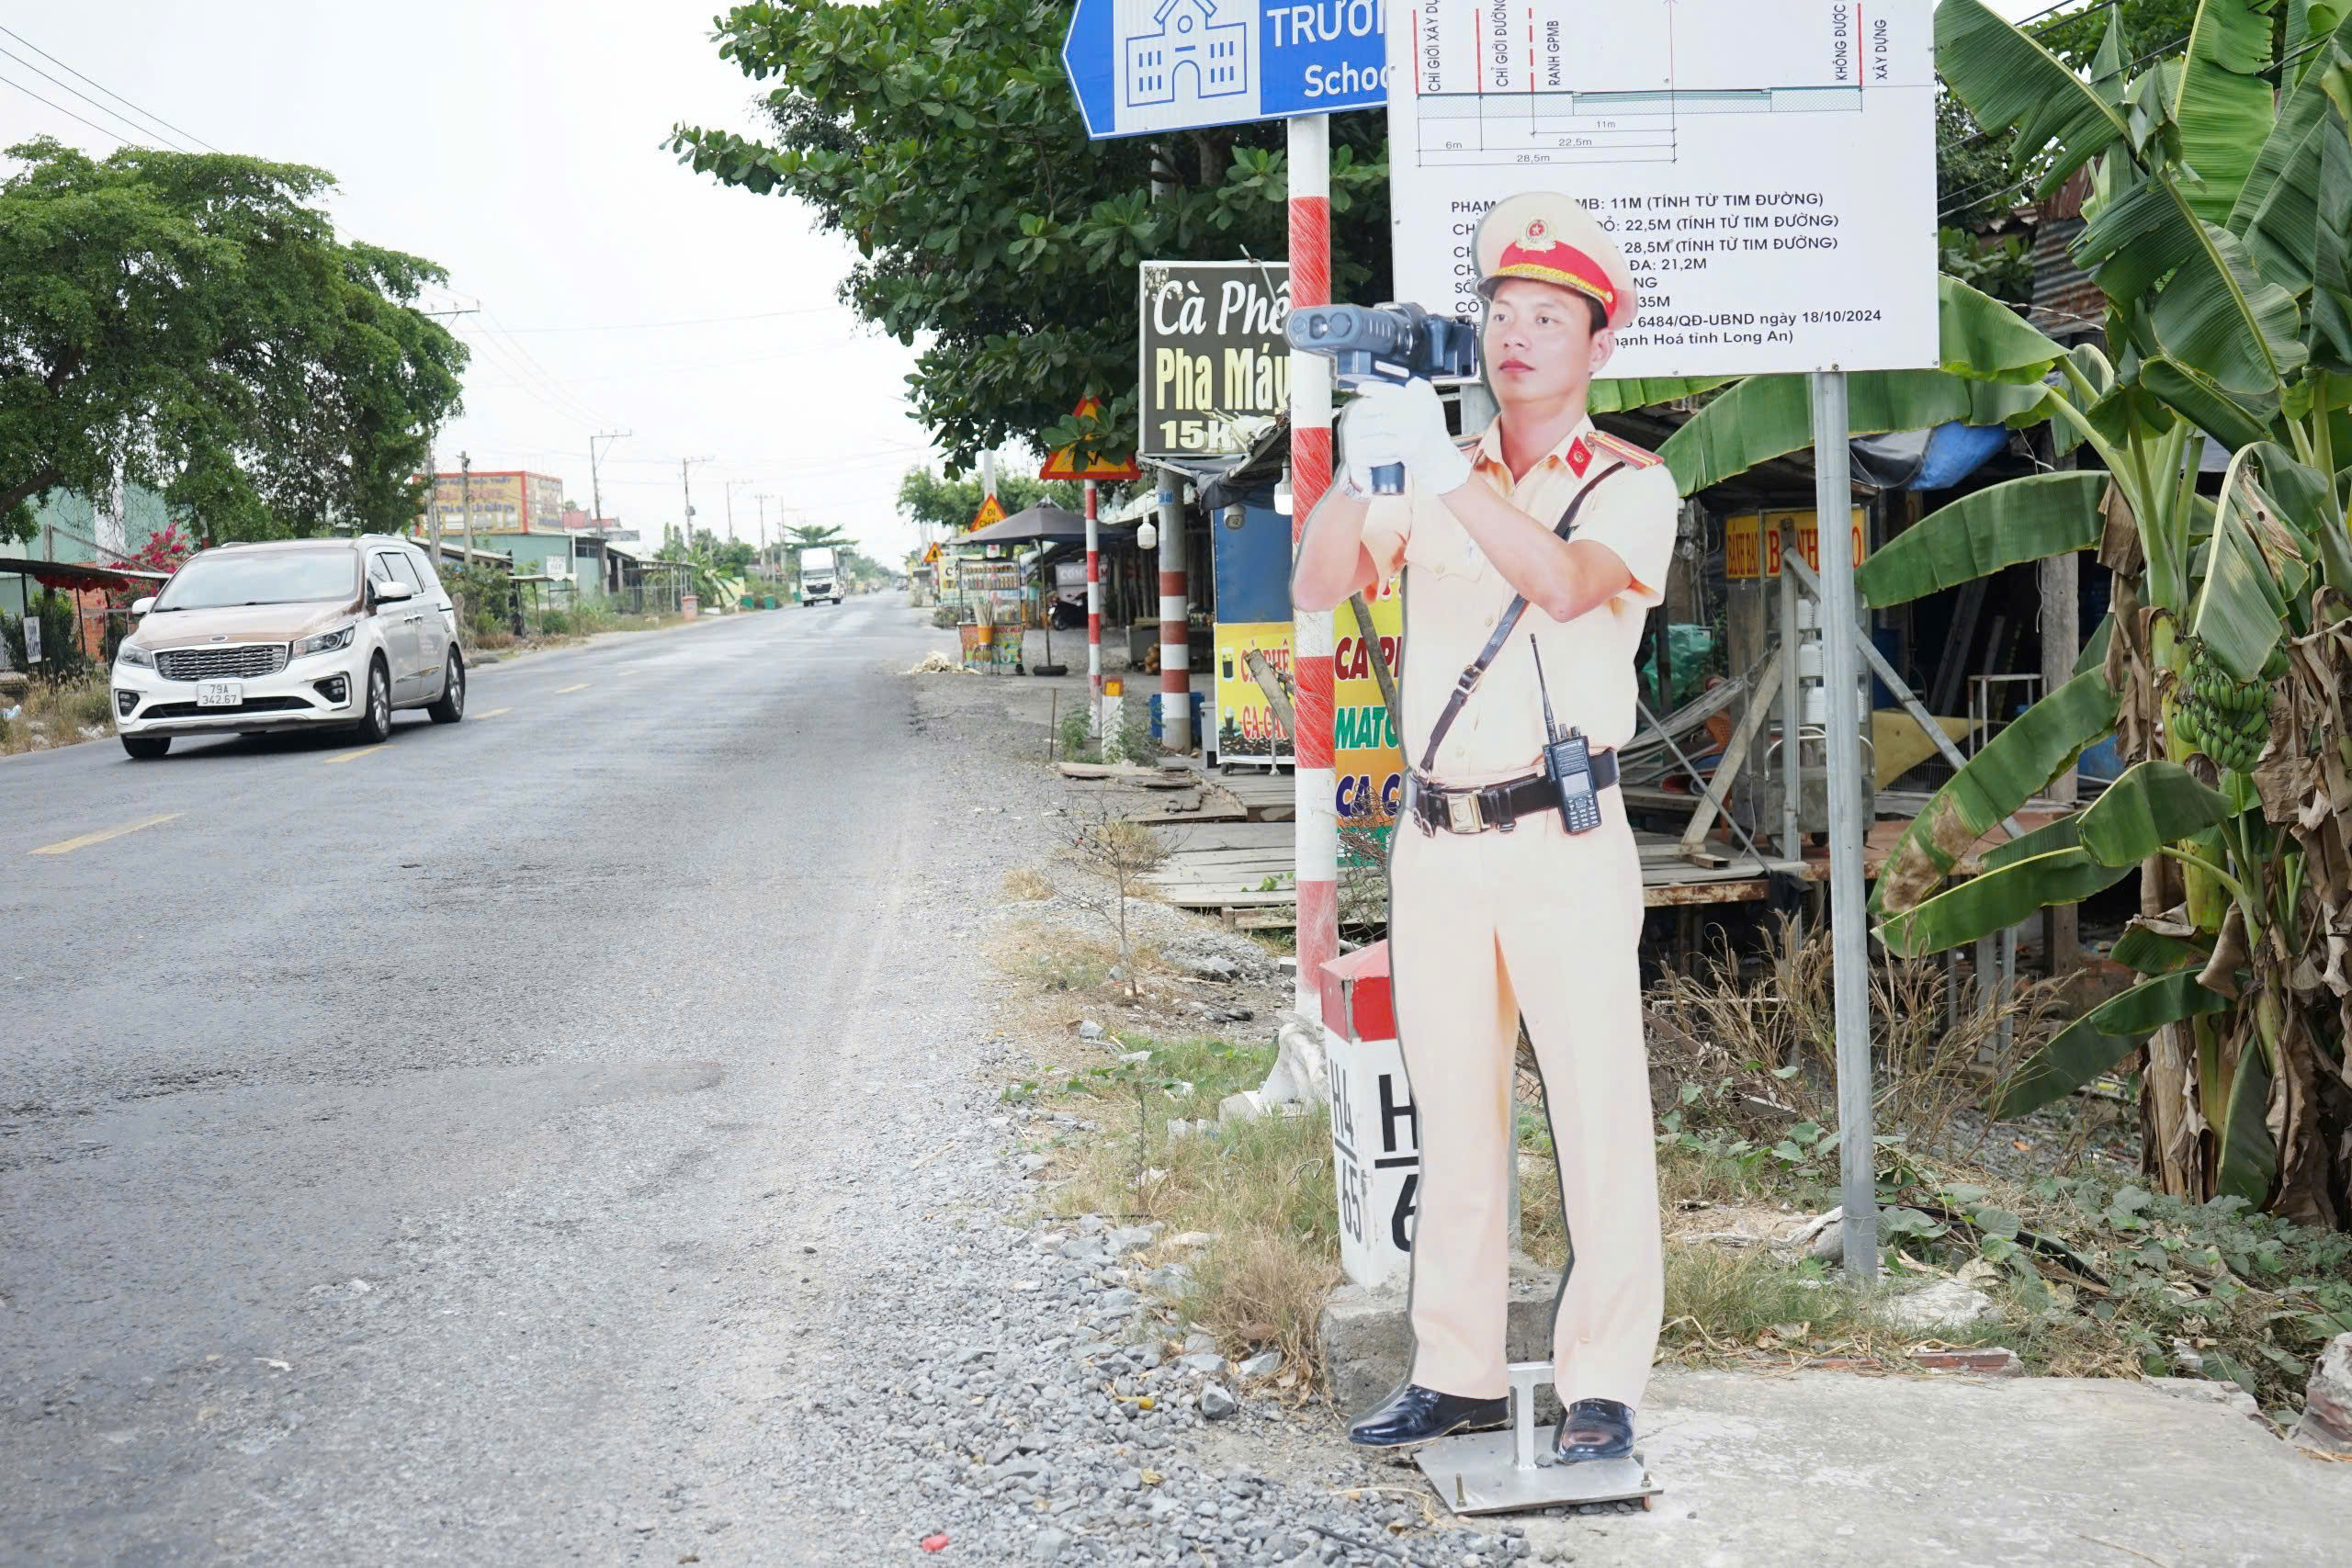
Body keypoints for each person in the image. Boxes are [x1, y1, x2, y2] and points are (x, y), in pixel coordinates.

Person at [1291, 192, 1675, 1463]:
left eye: (1548, 318)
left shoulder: (1631, 485)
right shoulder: (1432, 469)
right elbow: (1318, 583)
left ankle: (1604, 1384)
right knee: (1453, 1114)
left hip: (1563, 840)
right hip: (1438, 842)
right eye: (1502, 313)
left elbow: (1562, 586)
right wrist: (1363, 464)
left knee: (1596, 1116)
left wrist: (1449, 474)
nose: (1518, 337)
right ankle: (1453, 1369)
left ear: (1596, 342)